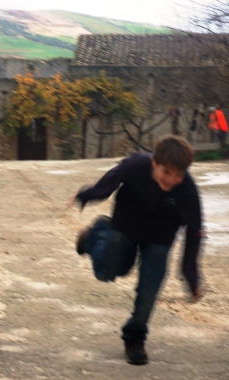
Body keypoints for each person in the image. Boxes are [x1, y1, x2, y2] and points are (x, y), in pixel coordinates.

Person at [69, 135, 204, 365]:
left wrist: (190, 275)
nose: (171, 180)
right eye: (166, 172)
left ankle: (134, 338)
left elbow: (195, 232)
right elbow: (109, 182)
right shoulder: (137, 165)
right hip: (126, 227)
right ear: (155, 163)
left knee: (149, 291)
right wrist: (86, 195)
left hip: (160, 238)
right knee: (107, 272)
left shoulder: (187, 191)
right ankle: (95, 234)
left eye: (179, 175)